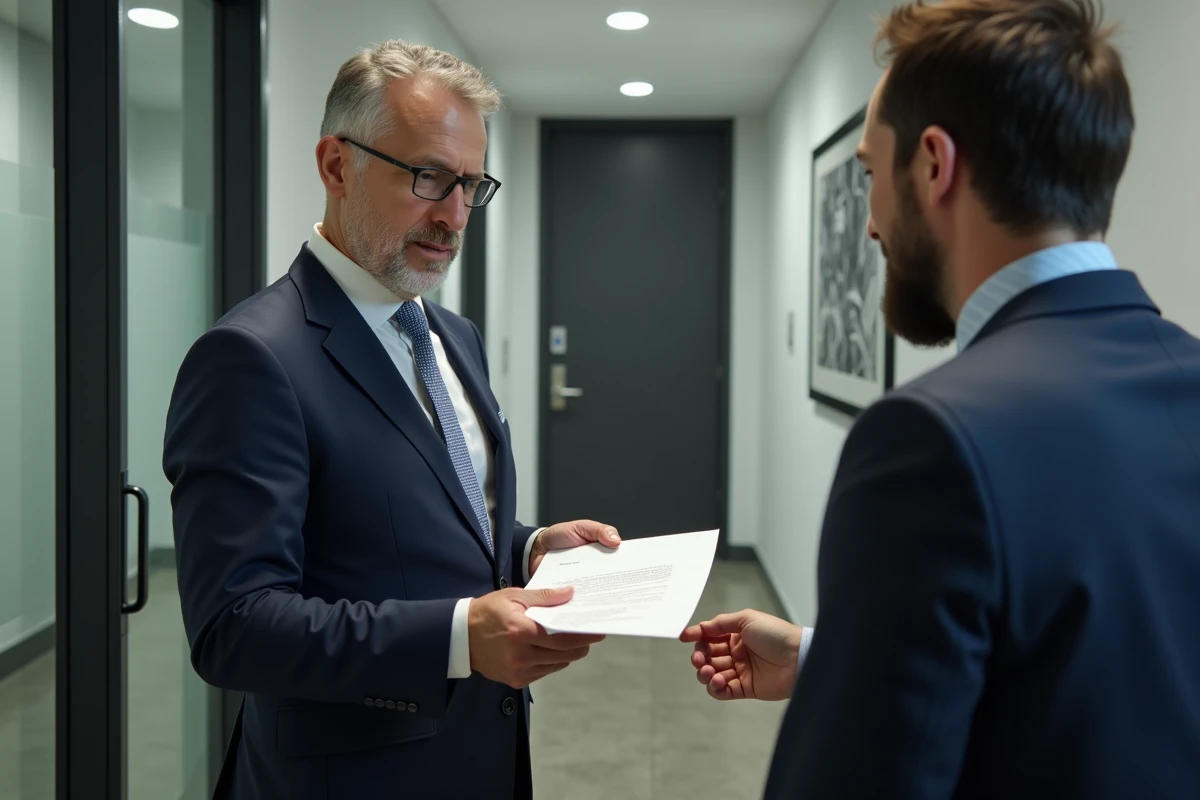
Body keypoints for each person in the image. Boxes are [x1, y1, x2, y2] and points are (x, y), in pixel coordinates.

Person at [682, 1, 1200, 797]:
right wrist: (840, 655)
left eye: (868, 175)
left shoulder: (933, 437)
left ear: (932, 165)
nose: (870, 228)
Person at [163, 40, 620, 800]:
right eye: (428, 176)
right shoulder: (251, 358)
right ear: (337, 166)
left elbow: (415, 530)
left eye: (470, 185)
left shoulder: (451, 336)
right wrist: (455, 638)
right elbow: (233, 626)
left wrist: (531, 547)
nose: (454, 216)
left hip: (480, 757)